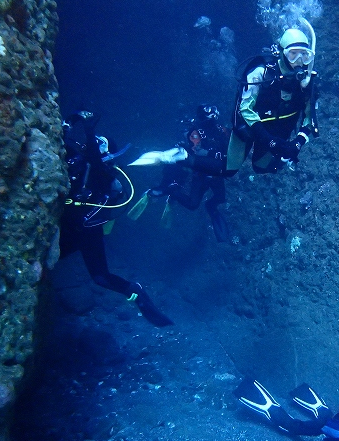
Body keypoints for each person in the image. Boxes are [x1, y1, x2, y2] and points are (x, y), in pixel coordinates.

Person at [60, 111, 173, 327]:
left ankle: (135, 292)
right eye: (96, 142)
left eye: (101, 144)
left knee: (100, 277)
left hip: (89, 231)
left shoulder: (104, 174)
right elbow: (61, 139)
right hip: (71, 225)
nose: (95, 145)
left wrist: (89, 131)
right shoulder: (78, 160)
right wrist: (73, 120)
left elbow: (95, 161)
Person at [225, 25, 319, 176]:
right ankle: (187, 157)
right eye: (293, 54)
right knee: (228, 171)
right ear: (282, 53)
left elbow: (310, 116)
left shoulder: (307, 82)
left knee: (261, 168)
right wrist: (268, 140)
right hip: (250, 129)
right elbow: (245, 108)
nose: (299, 61)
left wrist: (298, 142)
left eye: (304, 55)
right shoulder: (261, 73)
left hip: (276, 133)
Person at [145, 105, 230, 242]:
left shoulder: (221, 130)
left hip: (216, 173)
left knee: (220, 198)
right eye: (209, 113)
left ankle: (211, 206)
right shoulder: (195, 133)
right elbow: (197, 152)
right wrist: (216, 154)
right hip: (201, 174)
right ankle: (171, 189)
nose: (213, 116)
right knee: (192, 204)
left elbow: (230, 146)